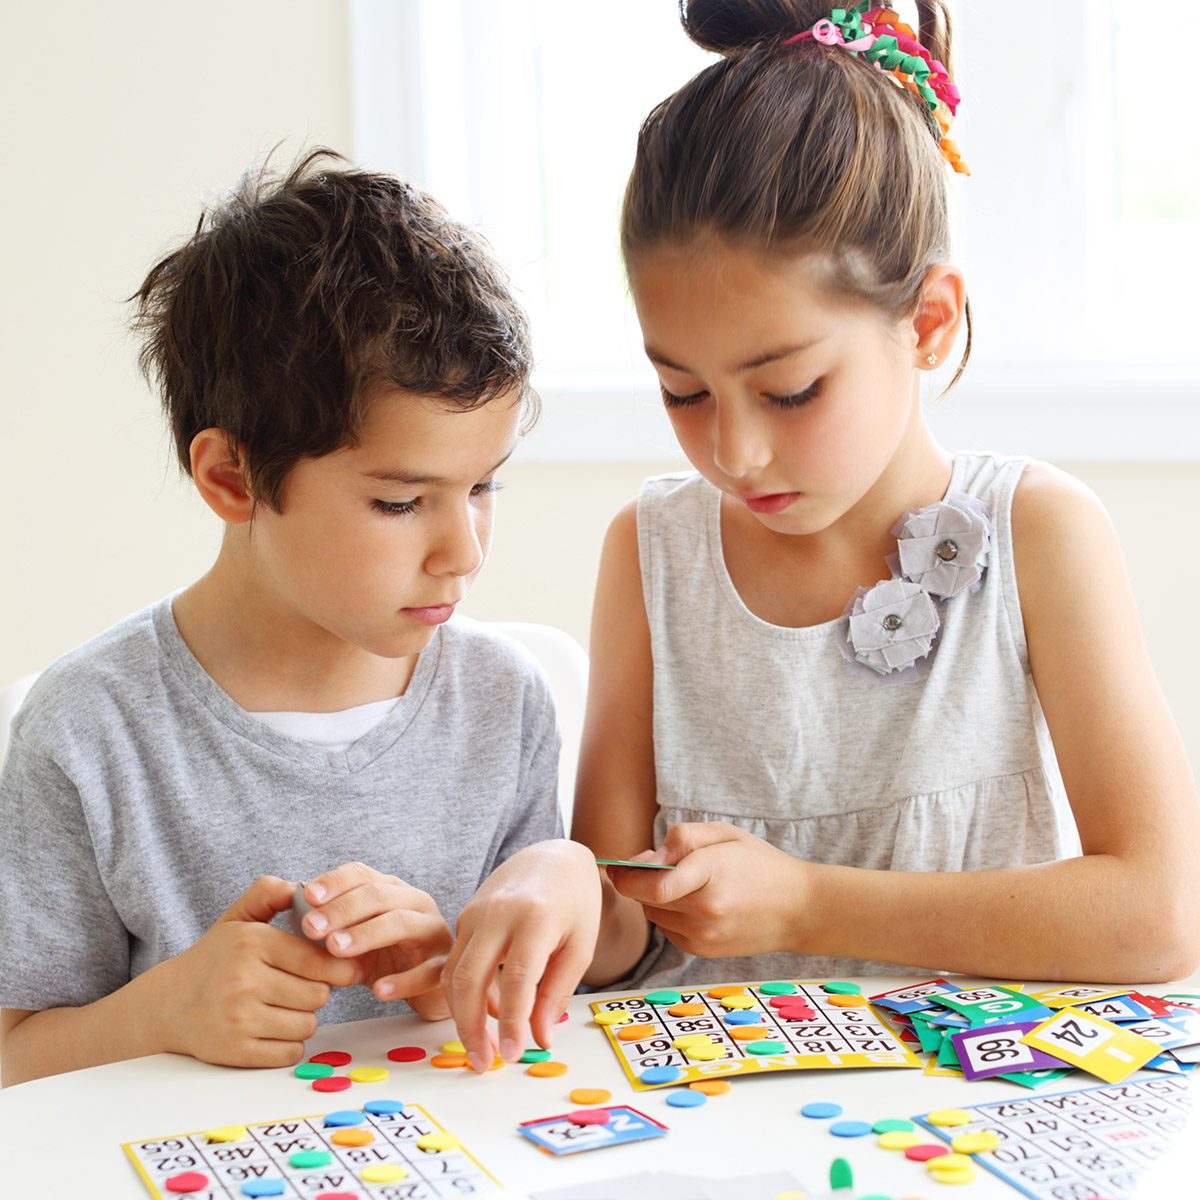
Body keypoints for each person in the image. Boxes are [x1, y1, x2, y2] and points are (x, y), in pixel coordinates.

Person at [441, 0, 1200, 1053]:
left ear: (926, 323)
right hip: (705, 1130)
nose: (734, 453)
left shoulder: (1039, 534)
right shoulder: (653, 550)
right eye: (684, 392)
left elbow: (1160, 914)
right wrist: (561, 879)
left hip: (971, 1123)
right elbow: (620, 919)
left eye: (790, 391)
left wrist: (808, 905)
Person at [0, 150, 597, 1086]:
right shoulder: (88, 729)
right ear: (231, 478)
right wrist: (165, 1010)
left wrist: (453, 976)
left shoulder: (504, 701)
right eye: (400, 503)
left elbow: (524, 1015)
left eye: (482, 486)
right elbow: (13, 1056)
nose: (465, 551)